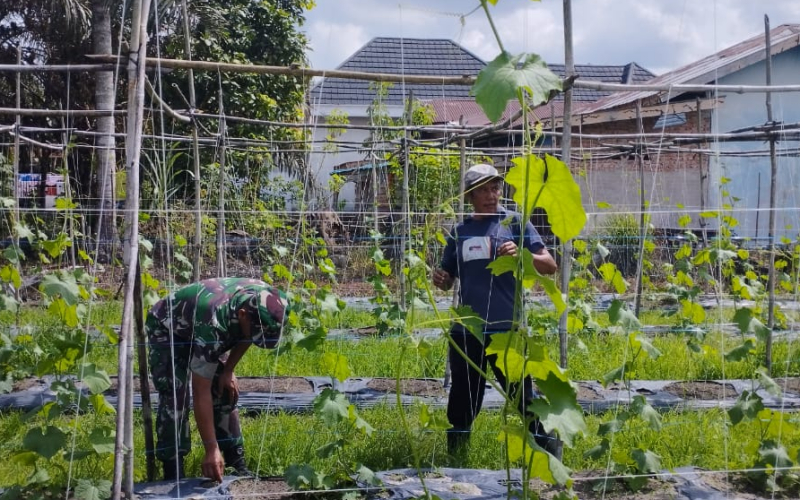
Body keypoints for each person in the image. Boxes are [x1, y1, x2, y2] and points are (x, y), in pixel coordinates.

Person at [432, 163, 560, 460]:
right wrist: (441, 279)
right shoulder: (460, 232)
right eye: (483, 190)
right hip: (467, 329)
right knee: (463, 398)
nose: (492, 195)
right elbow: (447, 276)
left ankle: (550, 455)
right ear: (470, 196)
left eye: (495, 188)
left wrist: (522, 252)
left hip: (506, 328)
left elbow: (550, 265)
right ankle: (458, 458)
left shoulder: (515, 223)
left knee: (523, 396)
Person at [146, 277, 287, 482]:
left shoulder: (270, 300)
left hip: (205, 325)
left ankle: (235, 461)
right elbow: (200, 390)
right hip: (169, 327)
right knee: (176, 396)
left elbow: (246, 335)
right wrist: (211, 448)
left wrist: (228, 369)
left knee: (224, 387)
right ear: (242, 315)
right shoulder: (215, 320)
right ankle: (173, 468)